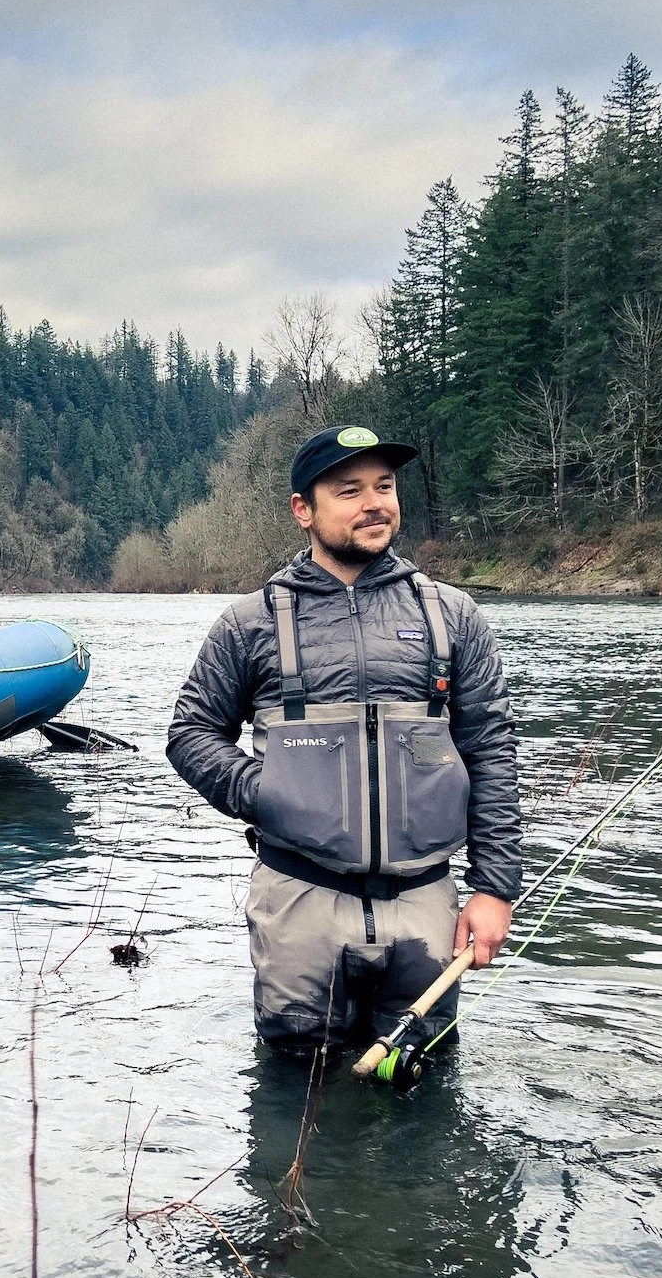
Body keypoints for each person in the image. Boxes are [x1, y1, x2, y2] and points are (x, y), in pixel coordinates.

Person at [166, 425, 521, 1065]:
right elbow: (191, 734)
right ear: (304, 509)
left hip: (425, 904)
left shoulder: (454, 615)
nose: (374, 503)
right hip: (298, 900)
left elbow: (490, 750)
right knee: (296, 1086)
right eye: (349, 490)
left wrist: (494, 889)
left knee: (425, 1074)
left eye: (384, 486)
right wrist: (264, 793)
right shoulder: (250, 623)